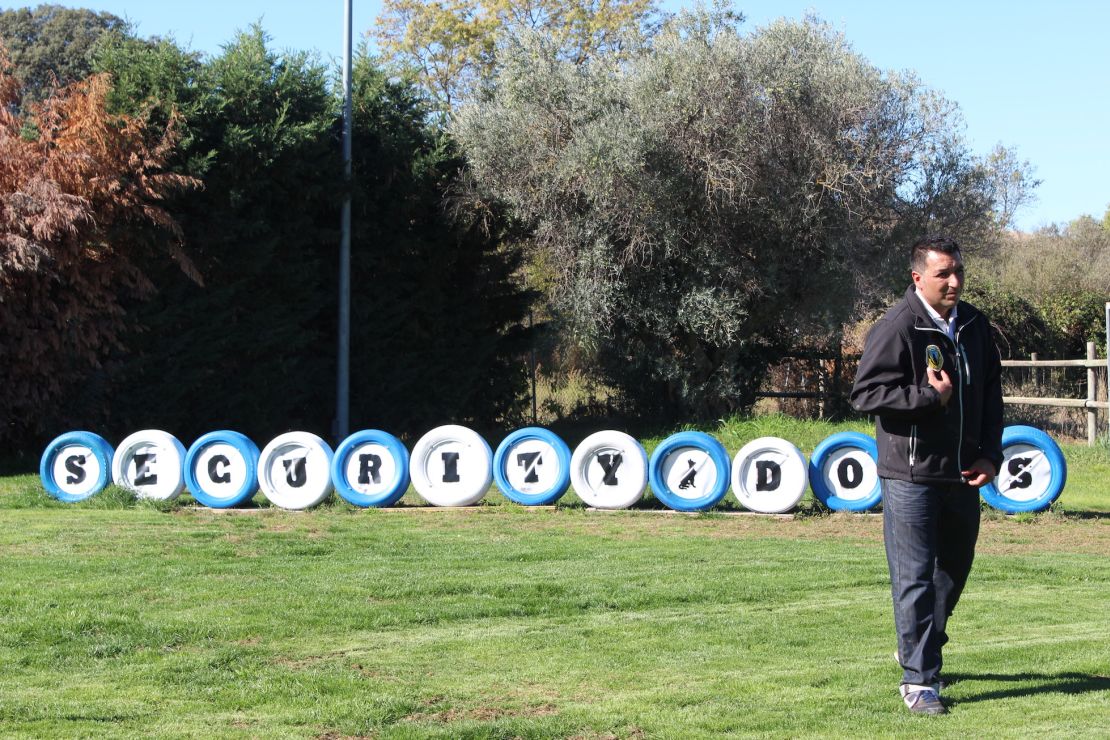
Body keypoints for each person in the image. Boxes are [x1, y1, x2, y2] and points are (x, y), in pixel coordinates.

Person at [850, 235, 1003, 716]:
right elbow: (866, 395)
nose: (954, 281)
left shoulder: (975, 325)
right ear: (918, 278)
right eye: (943, 274)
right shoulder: (897, 327)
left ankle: (916, 645)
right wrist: (926, 399)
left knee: (952, 574)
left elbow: (992, 397)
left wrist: (990, 455)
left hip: (963, 474)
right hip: (910, 476)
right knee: (913, 577)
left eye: (958, 271)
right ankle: (919, 682)